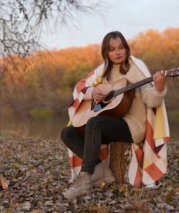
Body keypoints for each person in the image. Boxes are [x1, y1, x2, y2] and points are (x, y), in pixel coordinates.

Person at [60, 31, 168, 199]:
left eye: (121, 48)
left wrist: (159, 88)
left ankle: (85, 178)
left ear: (126, 49)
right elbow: (84, 87)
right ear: (106, 52)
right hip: (108, 123)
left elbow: (151, 100)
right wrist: (93, 92)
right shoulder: (103, 72)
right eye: (112, 49)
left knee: (96, 123)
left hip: (132, 126)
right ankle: (99, 169)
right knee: (67, 133)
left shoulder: (136, 69)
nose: (117, 52)